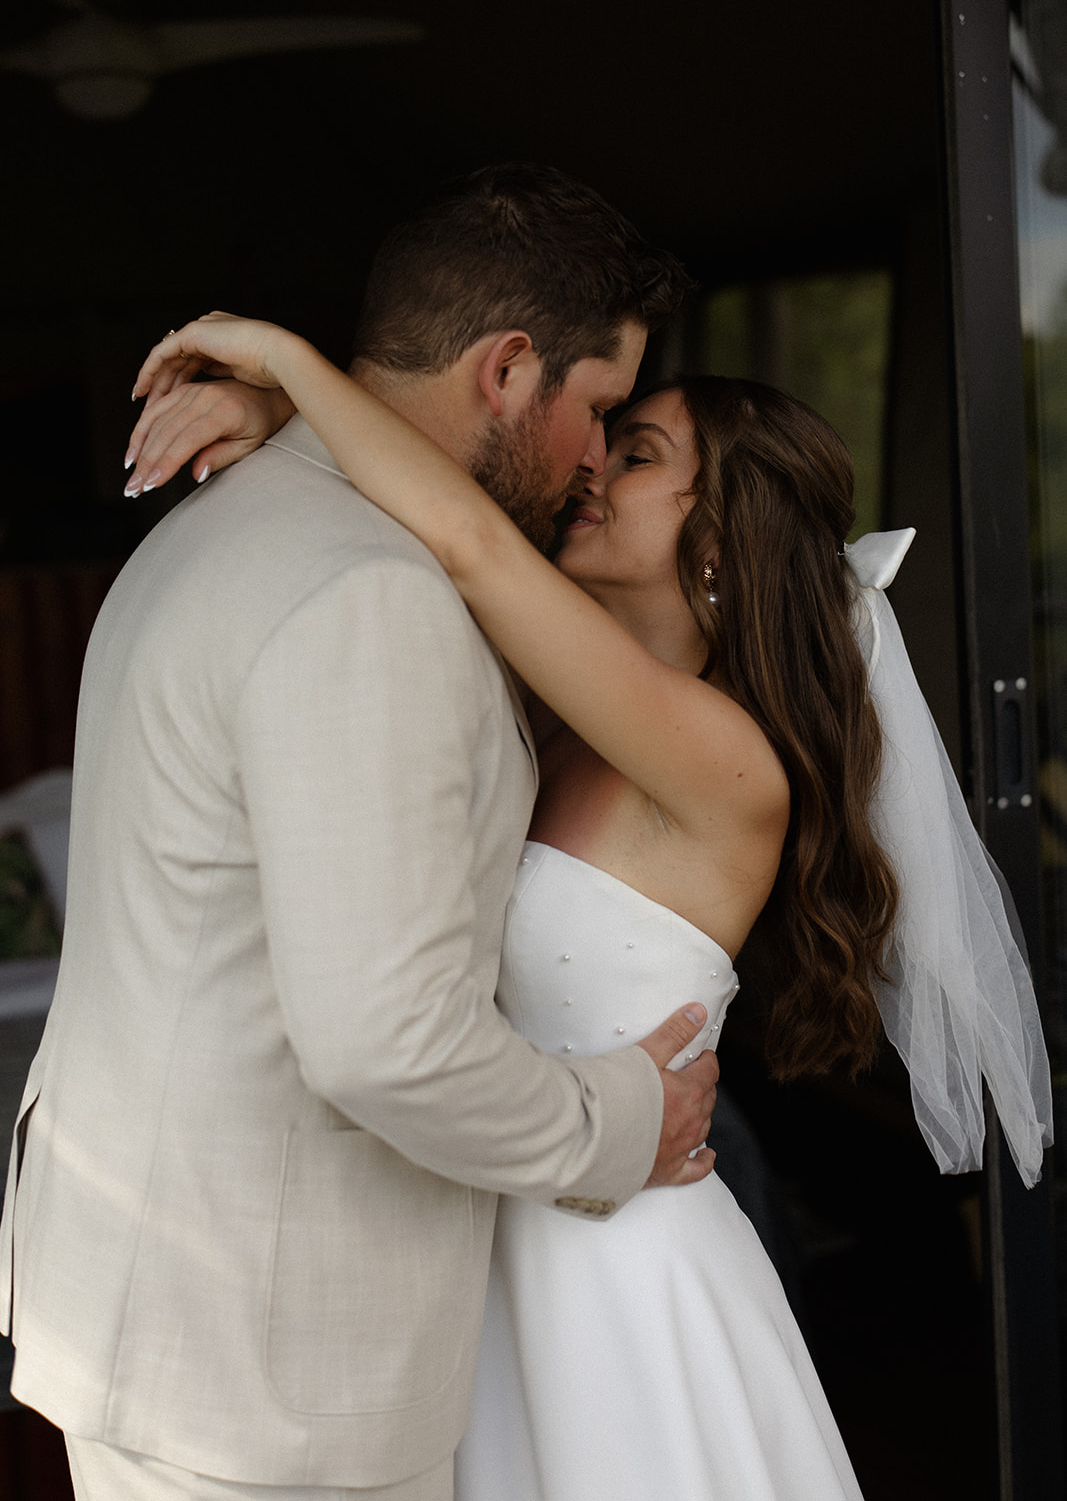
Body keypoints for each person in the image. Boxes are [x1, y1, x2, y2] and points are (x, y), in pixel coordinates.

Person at [125, 315, 1054, 1501]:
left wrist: (296, 372)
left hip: (623, 1270)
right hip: (494, 1237)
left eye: (639, 454)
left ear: (715, 538)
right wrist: (285, 443)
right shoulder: (550, 717)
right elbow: (432, 536)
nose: (591, 469)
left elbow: (465, 539)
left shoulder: (725, 758)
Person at [0, 166, 724, 1501]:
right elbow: (384, 1041)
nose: (586, 461)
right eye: (599, 410)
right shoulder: (365, 596)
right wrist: (630, 1116)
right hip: (268, 1369)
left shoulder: (232, 516)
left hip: (175, 1309)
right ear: (509, 369)